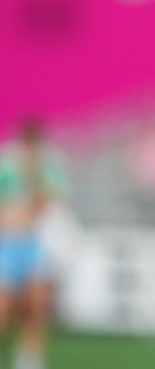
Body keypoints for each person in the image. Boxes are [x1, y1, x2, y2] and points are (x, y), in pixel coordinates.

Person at [0, 120, 69, 369]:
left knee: (37, 307)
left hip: (38, 244)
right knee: (4, 311)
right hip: (8, 244)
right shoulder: (7, 165)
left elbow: (52, 200)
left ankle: (30, 362)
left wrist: (34, 175)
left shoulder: (49, 166)